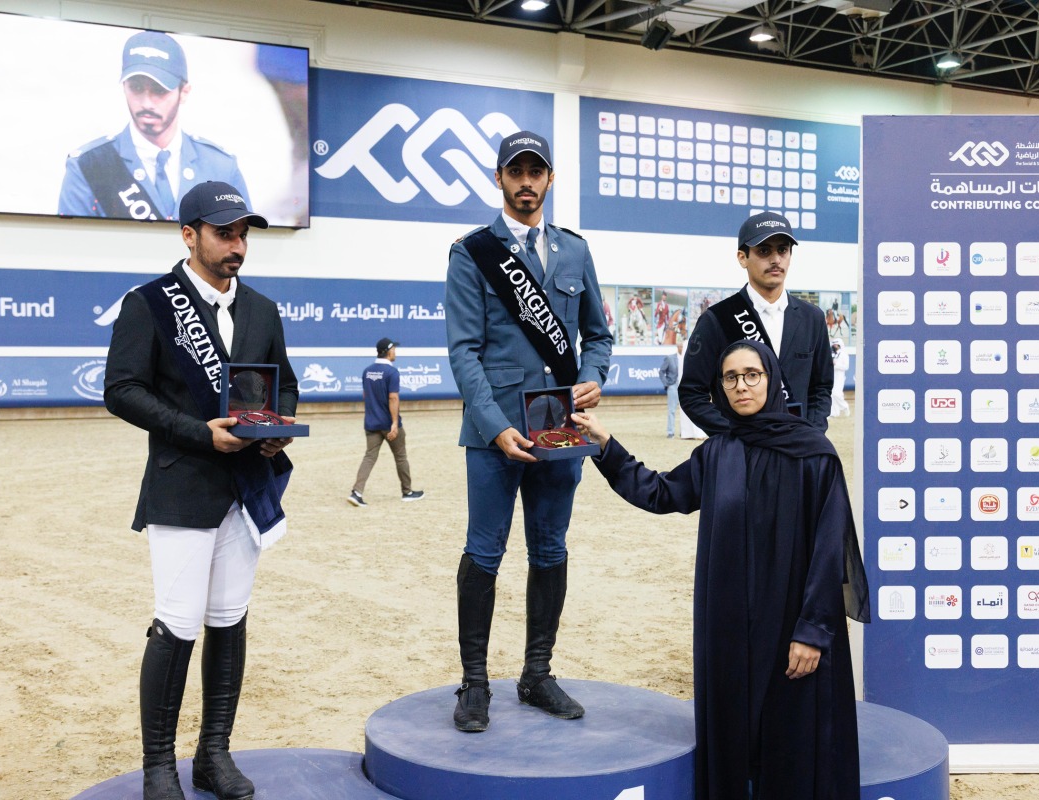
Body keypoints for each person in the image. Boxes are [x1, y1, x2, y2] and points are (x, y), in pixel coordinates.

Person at [574, 340, 869, 800]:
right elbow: (660, 493)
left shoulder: (813, 453)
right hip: (729, 632)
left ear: (771, 379)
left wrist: (813, 631)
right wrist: (606, 446)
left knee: (794, 746)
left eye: (752, 374)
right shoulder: (717, 453)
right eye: (731, 378)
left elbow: (829, 549)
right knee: (735, 744)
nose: (741, 386)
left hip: (793, 629)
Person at [103, 181, 296, 800]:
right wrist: (196, 433)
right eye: (224, 233)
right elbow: (122, 389)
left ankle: (214, 754)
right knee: (178, 624)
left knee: (228, 619)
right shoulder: (149, 304)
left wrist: (276, 432)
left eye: (243, 234)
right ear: (189, 236)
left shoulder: (264, 311)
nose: (237, 245)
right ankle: (160, 767)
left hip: (247, 489)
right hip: (182, 486)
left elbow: (284, 388)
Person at [444, 130, 613, 732]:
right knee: (484, 554)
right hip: (495, 438)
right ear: (499, 179)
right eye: (515, 171)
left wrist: (591, 377)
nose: (526, 181)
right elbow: (464, 352)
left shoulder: (574, 251)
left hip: (560, 433)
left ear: (549, 179)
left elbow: (599, 335)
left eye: (535, 171)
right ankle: (475, 683)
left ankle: (537, 674)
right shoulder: (472, 253)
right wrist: (493, 428)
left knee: (550, 550)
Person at [59, 30, 250, 222]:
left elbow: (243, 241)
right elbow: (70, 245)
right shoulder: (88, 166)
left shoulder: (221, 167)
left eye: (159, 90)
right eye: (136, 88)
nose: (147, 103)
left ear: (184, 92)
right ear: (124, 87)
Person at [680, 211, 833, 435]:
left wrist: (812, 435)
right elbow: (692, 393)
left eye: (783, 250)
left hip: (797, 451)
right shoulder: (717, 319)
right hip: (739, 455)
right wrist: (734, 436)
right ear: (742, 257)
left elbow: (821, 388)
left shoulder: (813, 318)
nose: (775, 259)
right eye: (764, 250)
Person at [347, 338, 424, 507]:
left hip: (371, 422)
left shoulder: (367, 371)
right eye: (394, 349)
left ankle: (356, 492)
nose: (395, 352)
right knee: (401, 457)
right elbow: (393, 397)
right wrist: (395, 423)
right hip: (388, 424)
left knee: (369, 457)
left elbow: (365, 395)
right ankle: (407, 492)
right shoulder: (392, 372)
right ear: (388, 352)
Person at [659, 342, 681, 438]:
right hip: (673, 385)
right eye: (681, 346)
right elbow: (661, 371)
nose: (682, 348)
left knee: (685, 411)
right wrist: (667, 383)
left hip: (684, 386)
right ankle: (670, 432)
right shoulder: (670, 358)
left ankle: (684, 432)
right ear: (678, 347)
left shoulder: (686, 359)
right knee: (672, 410)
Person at [829, 338, 850, 418]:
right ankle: (834, 413)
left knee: (836, 394)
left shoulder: (844, 354)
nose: (833, 346)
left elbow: (846, 367)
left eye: (835, 344)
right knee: (831, 394)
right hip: (832, 376)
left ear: (839, 345)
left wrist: (835, 365)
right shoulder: (832, 354)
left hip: (840, 377)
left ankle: (845, 407)